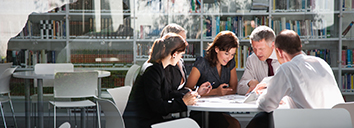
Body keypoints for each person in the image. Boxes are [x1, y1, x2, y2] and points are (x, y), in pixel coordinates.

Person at [246, 30, 345, 128]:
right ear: (300, 47)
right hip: (338, 122)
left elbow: (266, 105)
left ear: (279, 52)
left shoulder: (287, 68)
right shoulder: (321, 63)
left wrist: (263, 94)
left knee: (261, 119)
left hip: (308, 123)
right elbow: (309, 93)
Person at [130, 33, 211, 128]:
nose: (181, 58)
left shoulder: (160, 68)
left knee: (189, 123)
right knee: (189, 124)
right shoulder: (152, 71)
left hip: (149, 119)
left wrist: (194, 93)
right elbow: (158, 106)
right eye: (181, 55)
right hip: (143, 123)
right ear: (174, 54)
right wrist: (183, 102)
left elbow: (167, 94)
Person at [186, 31, 241, 128]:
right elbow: (187, 90)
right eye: (226, 53)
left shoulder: (230, 63)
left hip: (220, 109)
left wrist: (222, 92)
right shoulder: (201, 63)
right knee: (233, 125)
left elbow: (234, 88)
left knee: (234, 124)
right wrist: (216, 92)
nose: (229, 58)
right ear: (216, 49)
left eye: (232, 54)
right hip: (202, 111)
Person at [237, 26, 280, 95]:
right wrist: (249, 83)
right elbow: (239, 88)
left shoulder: (285, 56)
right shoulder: (252, 59)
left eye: (261, 49)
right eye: (254, 49)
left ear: (272, 45)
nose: (257, 53)